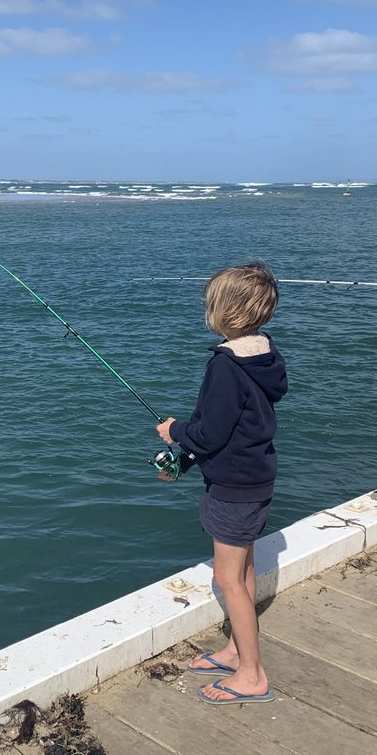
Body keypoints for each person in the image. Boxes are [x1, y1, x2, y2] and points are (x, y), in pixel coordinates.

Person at [156, 262, 287, 705]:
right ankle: (236, 649)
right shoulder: (264, 354)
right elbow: (232, 427)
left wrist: (175, 432)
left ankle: (252, 674)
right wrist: (186, 458)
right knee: (245, 571)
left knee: (229, 579)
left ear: (223, 312)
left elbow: (209, 433)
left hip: (232, 487)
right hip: (256, 478)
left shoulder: (225, 368)